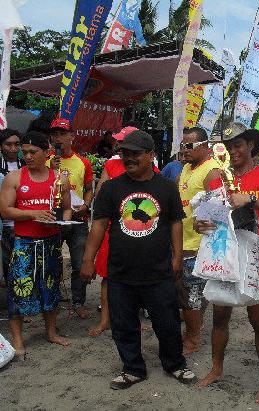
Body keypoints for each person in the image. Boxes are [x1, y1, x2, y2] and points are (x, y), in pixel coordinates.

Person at [80, 128, 195, 389]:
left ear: (151, 155)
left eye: (135, 153)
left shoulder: (166, 187)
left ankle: (175, 364)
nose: (128, 158)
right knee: (123, 324)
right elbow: (98, 225)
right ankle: (133, 368)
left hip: (159, 271)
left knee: (167, 322)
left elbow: (176, 223)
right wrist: (88, 259)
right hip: (120, 271)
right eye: (124, 153)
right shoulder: (111, 187)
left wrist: (177, 257)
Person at [196, 122, 259, 405]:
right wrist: (202, 224)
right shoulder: (219, 178)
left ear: (250, 146)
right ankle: (216, 369)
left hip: (255, 260)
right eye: (229, 146)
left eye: (238, 145)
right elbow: (208, 217)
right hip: (223, 257)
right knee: (220, 318)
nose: (234, 150)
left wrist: (251, 200)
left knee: (258, 322)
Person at [0, 131, 72, 358]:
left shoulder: (59, 178)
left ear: (47, 153)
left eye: (33, 152)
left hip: (50, 243)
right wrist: (34, 214)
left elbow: (67, 208)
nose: (27, 155)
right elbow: (5, 211)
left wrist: (64, 221)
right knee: (18, 291)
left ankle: (51, 332)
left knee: (51, 288)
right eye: (25, 151)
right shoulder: (15, 177)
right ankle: (18, 341)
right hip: (24, 244)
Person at [88, 126, 141, 336]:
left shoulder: (148, 166)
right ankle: (105, 320)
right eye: (118, 142)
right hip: (113, 228)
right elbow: (101, 193)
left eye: (123, 141)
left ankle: (134, 319)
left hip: (138, 229)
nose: (118, 145)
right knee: (108, 278)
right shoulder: (111, 164)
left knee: (137, 277)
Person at [175, 127, 219, 354]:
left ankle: (193, 338)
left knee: (192, 295)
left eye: (189, 146)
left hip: (198, 245)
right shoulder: (185, 169)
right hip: (181, 242)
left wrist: (203, 223)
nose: (183, 150)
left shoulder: (212, 171)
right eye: (182, 145)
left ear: (204, 146)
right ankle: (192, 331)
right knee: (187, 293)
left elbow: (218, 210)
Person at [47, 118, 94, 319]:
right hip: (52, 218)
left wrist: (85, 205)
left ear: (71, 137)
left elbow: (90, 189)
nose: (58, 138)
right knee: (51, 262)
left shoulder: (83, 162)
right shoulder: (45, 160)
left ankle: (78, 302)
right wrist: (50, 167)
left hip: (78, 220)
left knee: (79, 262)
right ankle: (51, 300)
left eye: (62, 134)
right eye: (55, 134)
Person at [0, 128, 24, 282]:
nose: (14, 148)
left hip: (21, 221)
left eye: (17, 144)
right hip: (3, 224)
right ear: (1, 146)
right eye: (9, 144)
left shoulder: (26, 164)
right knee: (4, 262)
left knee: (20, 263)